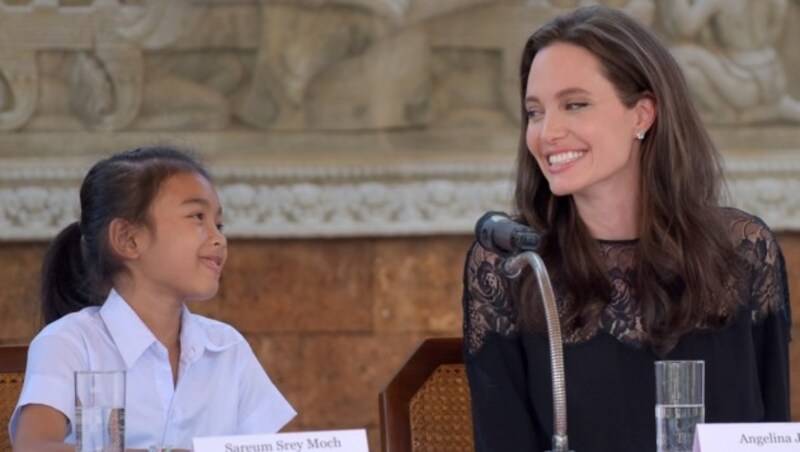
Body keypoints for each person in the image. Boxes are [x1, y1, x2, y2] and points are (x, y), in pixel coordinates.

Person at [461, 5, 790, 452]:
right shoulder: (513, 263)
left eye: (574, 105)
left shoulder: (745, 252)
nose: (546, 132)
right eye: (535, 112)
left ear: (642, 115)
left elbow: (769, 431)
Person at [10, 146, 296, 451]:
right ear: (129, 239)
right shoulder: (70, 342)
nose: (219, 238)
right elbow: (34, 446)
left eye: (219, 224)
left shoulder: (228, 347)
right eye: (198, 217)